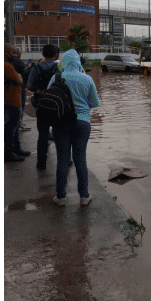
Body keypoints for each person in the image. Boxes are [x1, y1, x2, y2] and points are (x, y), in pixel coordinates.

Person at [48, 49, 99, 206]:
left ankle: (61, 197)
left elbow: (49, 98)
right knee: (80, 159)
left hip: (60, 122)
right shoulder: (87, 78)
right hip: (82, 122)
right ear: (78, 63)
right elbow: (95, 103)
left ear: (63, 62)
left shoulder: (56, 77)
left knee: (62, 159)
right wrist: (81, 104)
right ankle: (84, 196)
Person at [26, 44, 60, 169]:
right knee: (59, 133)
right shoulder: (59, 68)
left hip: (41, 104)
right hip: (56, 105)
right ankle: (64, 160)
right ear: (56, 55)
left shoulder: (36, 68)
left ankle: (41, 162)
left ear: (43, 55)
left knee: (43, 134)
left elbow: (29, 86)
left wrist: (40, 87)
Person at [4, 43, 30, 162]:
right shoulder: (7, 66)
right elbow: (19, 80)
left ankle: (16, 148)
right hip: (11, 101)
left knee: (14, 126)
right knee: (11, 127)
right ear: (5, 52)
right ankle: (9, 151)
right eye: (14, 53)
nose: (16, 55)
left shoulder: (8, 65)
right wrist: (19, 76)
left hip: (13, 100)